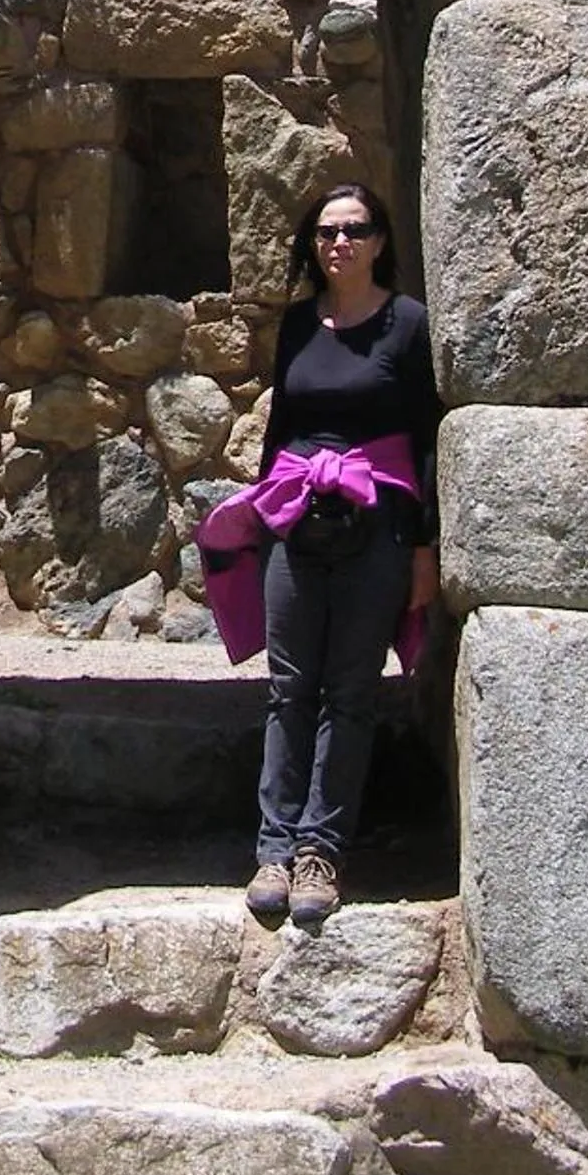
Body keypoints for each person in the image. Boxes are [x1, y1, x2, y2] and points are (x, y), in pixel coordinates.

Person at [236, 183, 440, 932]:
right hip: (296, 519)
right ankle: (273, 849)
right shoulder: (296, 325)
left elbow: (423, 439)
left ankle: (321, 851)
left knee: (350, 689)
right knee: (289, 687)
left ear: (380, 241)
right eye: (326, 233)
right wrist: (260, 518)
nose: (339, 244)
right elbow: (278, 426)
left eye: (354, 230)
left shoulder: (408, 325)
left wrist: (423, 545)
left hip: (377, 523)